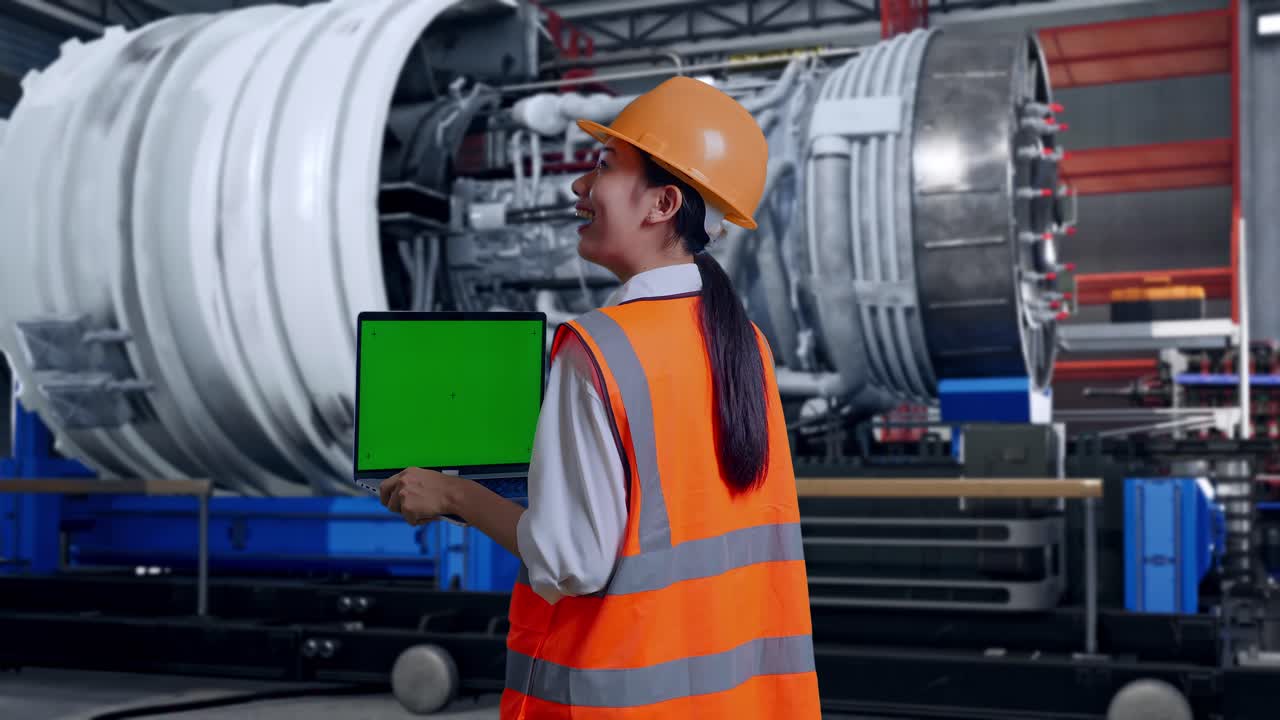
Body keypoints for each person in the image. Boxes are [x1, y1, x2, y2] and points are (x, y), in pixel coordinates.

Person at [379, 76, 820, 718]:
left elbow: (570, 562)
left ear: (662, 204)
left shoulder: (599, 350)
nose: (578, 186)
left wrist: (453, 495)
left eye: (604, 166)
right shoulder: (744, 342)